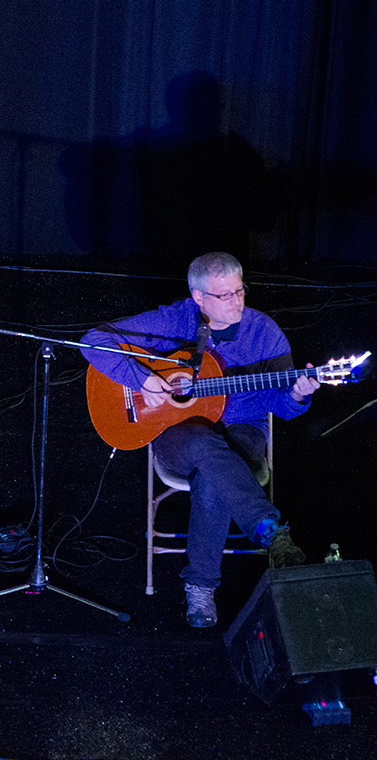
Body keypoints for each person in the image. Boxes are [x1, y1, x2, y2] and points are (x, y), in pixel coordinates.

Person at [81, 252, 313, 627]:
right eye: (225, 296)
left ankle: (201, 588)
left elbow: (281, 405)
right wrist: (141, 379)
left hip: (243, 429)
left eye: (240, 291)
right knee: (205, 448)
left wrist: (299, 394)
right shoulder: (174, 319)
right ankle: (270, 530)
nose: (237, 302)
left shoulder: (264, 333)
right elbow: (92, 341)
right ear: (198, 297)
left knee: (213, 477)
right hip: (180, 434)